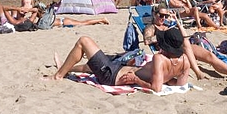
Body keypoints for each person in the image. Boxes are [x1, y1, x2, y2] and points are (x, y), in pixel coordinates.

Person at [50, 29, 190, 92]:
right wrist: (167, 78)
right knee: (91, 65)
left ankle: (58, 76)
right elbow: (180, 85)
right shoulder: (185, 61)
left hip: (111, 76)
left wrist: (136, 80)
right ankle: (65, 67)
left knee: (84, 41)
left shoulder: (160, 58)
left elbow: (157, 88)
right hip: (117, 69)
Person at [151, 5, 227, 79]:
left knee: (209, 55)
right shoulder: (151, 27)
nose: (163, 18)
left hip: (184, 45)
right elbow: (147, 40)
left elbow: (185, 35)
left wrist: (176, 21)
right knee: (185, 43)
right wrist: (162, 37)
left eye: (165, 16)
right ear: (154, 15)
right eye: (161, 15)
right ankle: (198, 72)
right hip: (172, 50)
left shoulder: (168, 24)